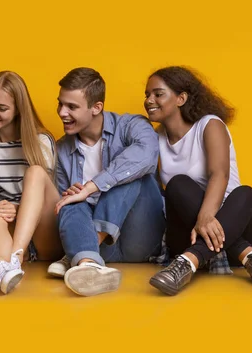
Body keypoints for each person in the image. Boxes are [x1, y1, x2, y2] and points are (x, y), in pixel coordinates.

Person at [145, 66, 252, 295]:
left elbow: (219, 174)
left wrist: (206, 216)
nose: (149, 100)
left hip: (236, 221)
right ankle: (248, 255)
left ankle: (188, 262)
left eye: (157, 94)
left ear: (181, 98)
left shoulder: (209, 125)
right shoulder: (154, 138)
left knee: (246, 194)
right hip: (188, 233)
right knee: (178, 185)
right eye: (147, 95)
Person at [51, 67, 165, 297]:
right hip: (103, 253)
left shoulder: (132, 125)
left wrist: (91, 187)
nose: (62, 112)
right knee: (69, 202)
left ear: (96, 107)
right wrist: (72, 195)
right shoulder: (63, 148)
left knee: (132, 175)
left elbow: (146, 155)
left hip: (140, 235)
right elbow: (63, 205)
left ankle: (84, 247)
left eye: (72, 107)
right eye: (60, 104)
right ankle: (87, 264)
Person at [0, 71, 62, 294]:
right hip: (6, 227)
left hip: (43, 232)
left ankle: (13, 258)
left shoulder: (40, 141)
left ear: (18, 110)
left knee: (35, 172)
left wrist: (17, 207)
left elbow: (44, 198)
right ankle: (5, 269)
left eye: (2, 108)